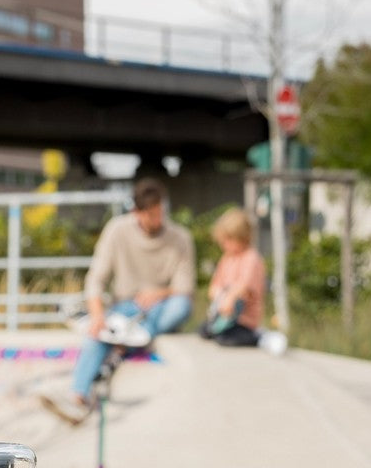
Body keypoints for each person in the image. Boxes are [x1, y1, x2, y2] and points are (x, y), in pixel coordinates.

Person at [46, 176, 196, 423]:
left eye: (160, 213)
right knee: (98, 332)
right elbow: (96, 279)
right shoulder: (117, 230)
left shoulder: (180, 238)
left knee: (181, 306)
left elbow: (185, 288)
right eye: (151, 215)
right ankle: (77, 396)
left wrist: (157, 293)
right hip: (126, 308)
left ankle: (130, 339)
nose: (157, 220)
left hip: (164, 307)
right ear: (136, 212)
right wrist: (96, 316)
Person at [200, 207, 266, 347]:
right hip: (223, 317)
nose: (224, 245)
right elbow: (215, 285)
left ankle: (258, 336)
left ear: (242, 238)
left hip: (244, 321)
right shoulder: (227, 258)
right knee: (204, 331)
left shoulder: (251, 258)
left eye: (227, 241)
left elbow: (244, 287)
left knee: (226, 339)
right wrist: (219, 294)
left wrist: (230, 297)